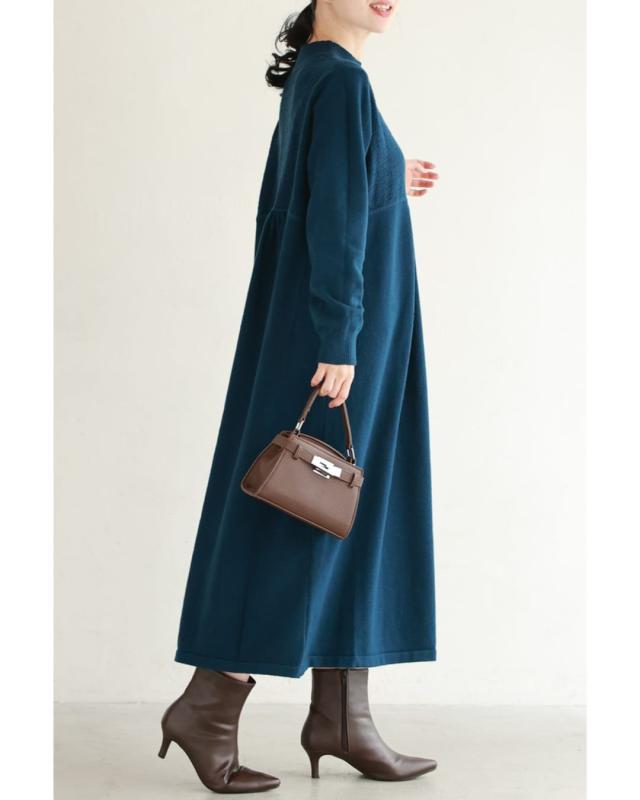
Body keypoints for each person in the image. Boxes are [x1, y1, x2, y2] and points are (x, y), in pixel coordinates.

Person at [158, 0, 440, 793]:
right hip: (339, 340)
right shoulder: (339, 80)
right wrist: (339, 335)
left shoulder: (321, 75)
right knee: (297, 511)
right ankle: (209, 706)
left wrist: (388, 175)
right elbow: (332, 220)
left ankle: (343, 717)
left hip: (333, 331)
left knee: (339, 511)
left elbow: (327, 193)